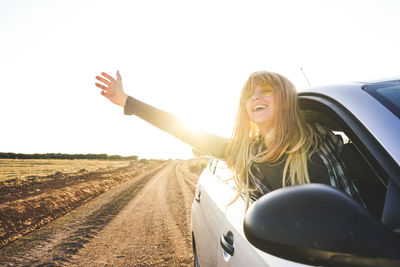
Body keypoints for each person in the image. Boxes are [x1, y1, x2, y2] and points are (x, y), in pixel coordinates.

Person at [95, 70, 363, 208]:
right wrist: (126, 101)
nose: (255, 97)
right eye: (249, 95)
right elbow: (181, 128)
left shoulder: (321, 140)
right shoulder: (243, 154)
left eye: (266, 90)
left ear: (285, 100)